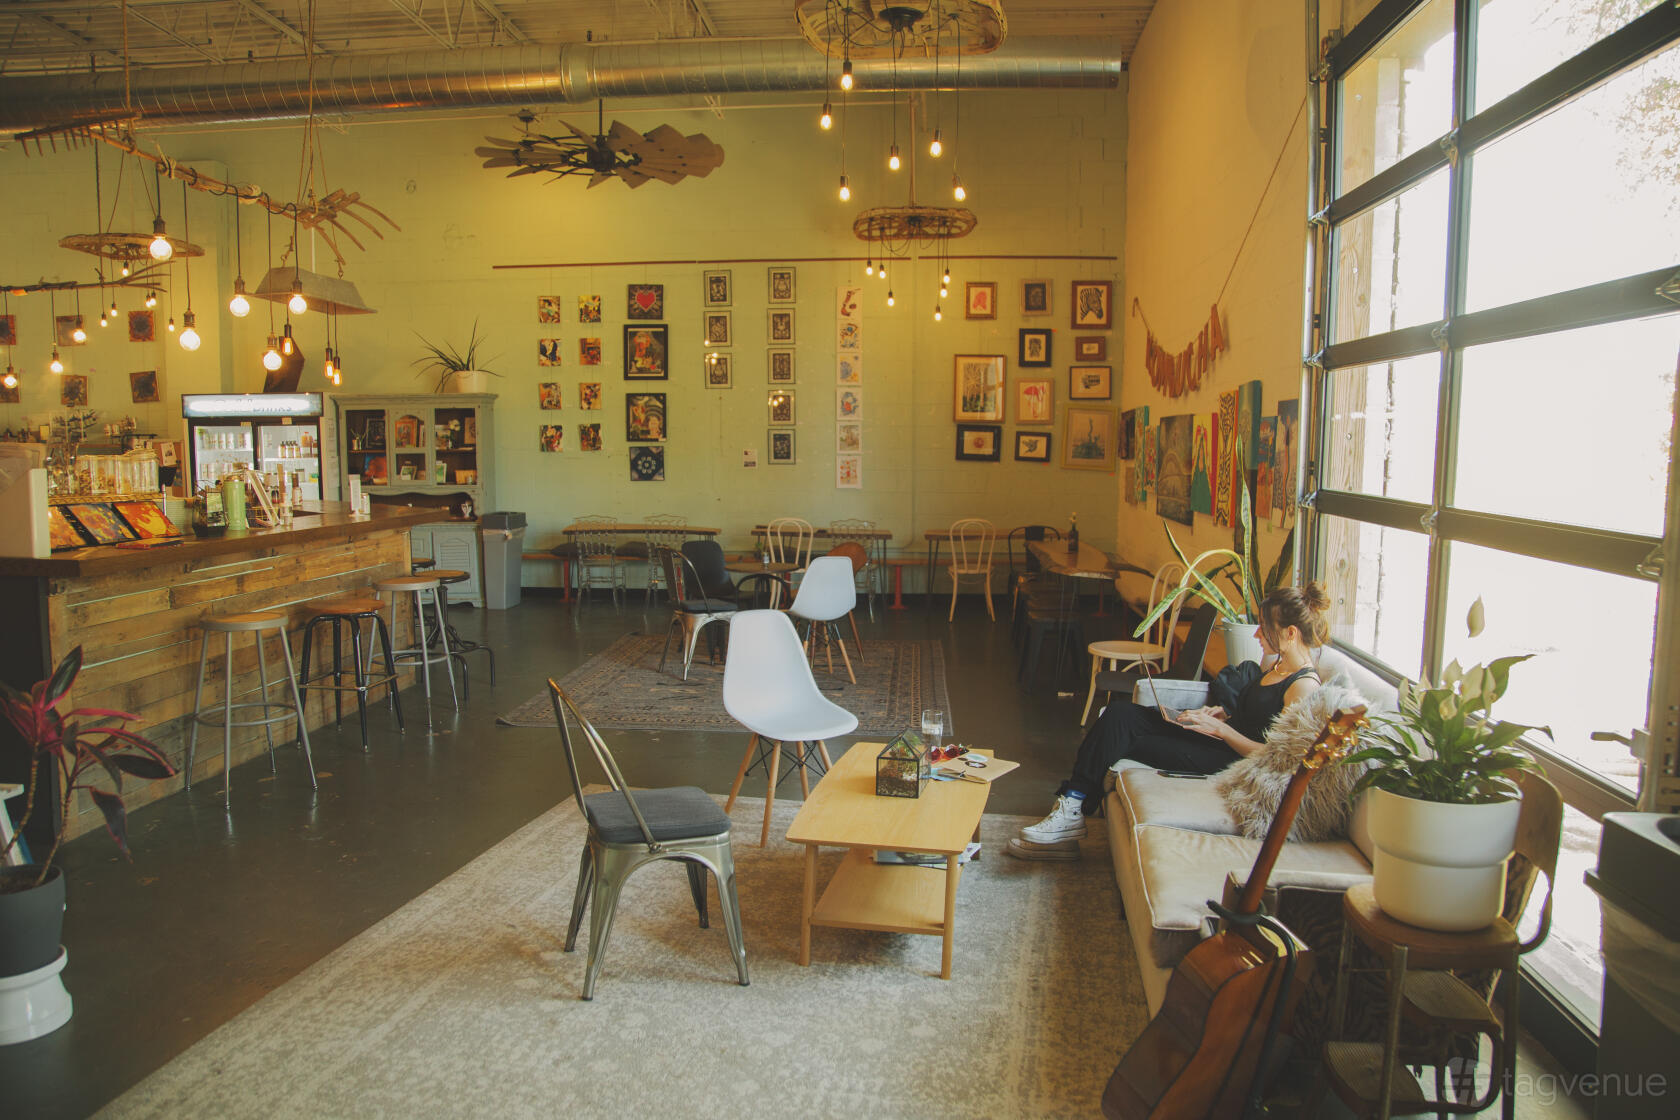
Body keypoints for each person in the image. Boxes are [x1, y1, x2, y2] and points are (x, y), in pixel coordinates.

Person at [1010, 582, 1332, 859]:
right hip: (1219, 737)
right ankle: (1073, 803)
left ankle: (1073, 810)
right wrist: (1219, 714)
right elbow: (1254, 714)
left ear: (1290, 633)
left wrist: (1222, 730)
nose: (1258, 633)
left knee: (1128, 739)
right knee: (1120, 715)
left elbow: (1275, 757)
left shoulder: (1303, 687)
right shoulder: (1275, 666)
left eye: (1265, 626)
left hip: (1231, 760)